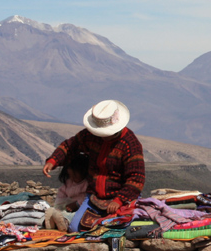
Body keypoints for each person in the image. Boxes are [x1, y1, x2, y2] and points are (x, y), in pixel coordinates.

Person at [42, 99, 146, 231]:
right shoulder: (90, 136)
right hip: (94, 197)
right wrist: (54, 160)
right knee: (76, 228)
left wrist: (119, 200)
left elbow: (136, 178)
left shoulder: (130, 144)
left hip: (121, 198)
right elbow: (71, 145)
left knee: (117, 227)